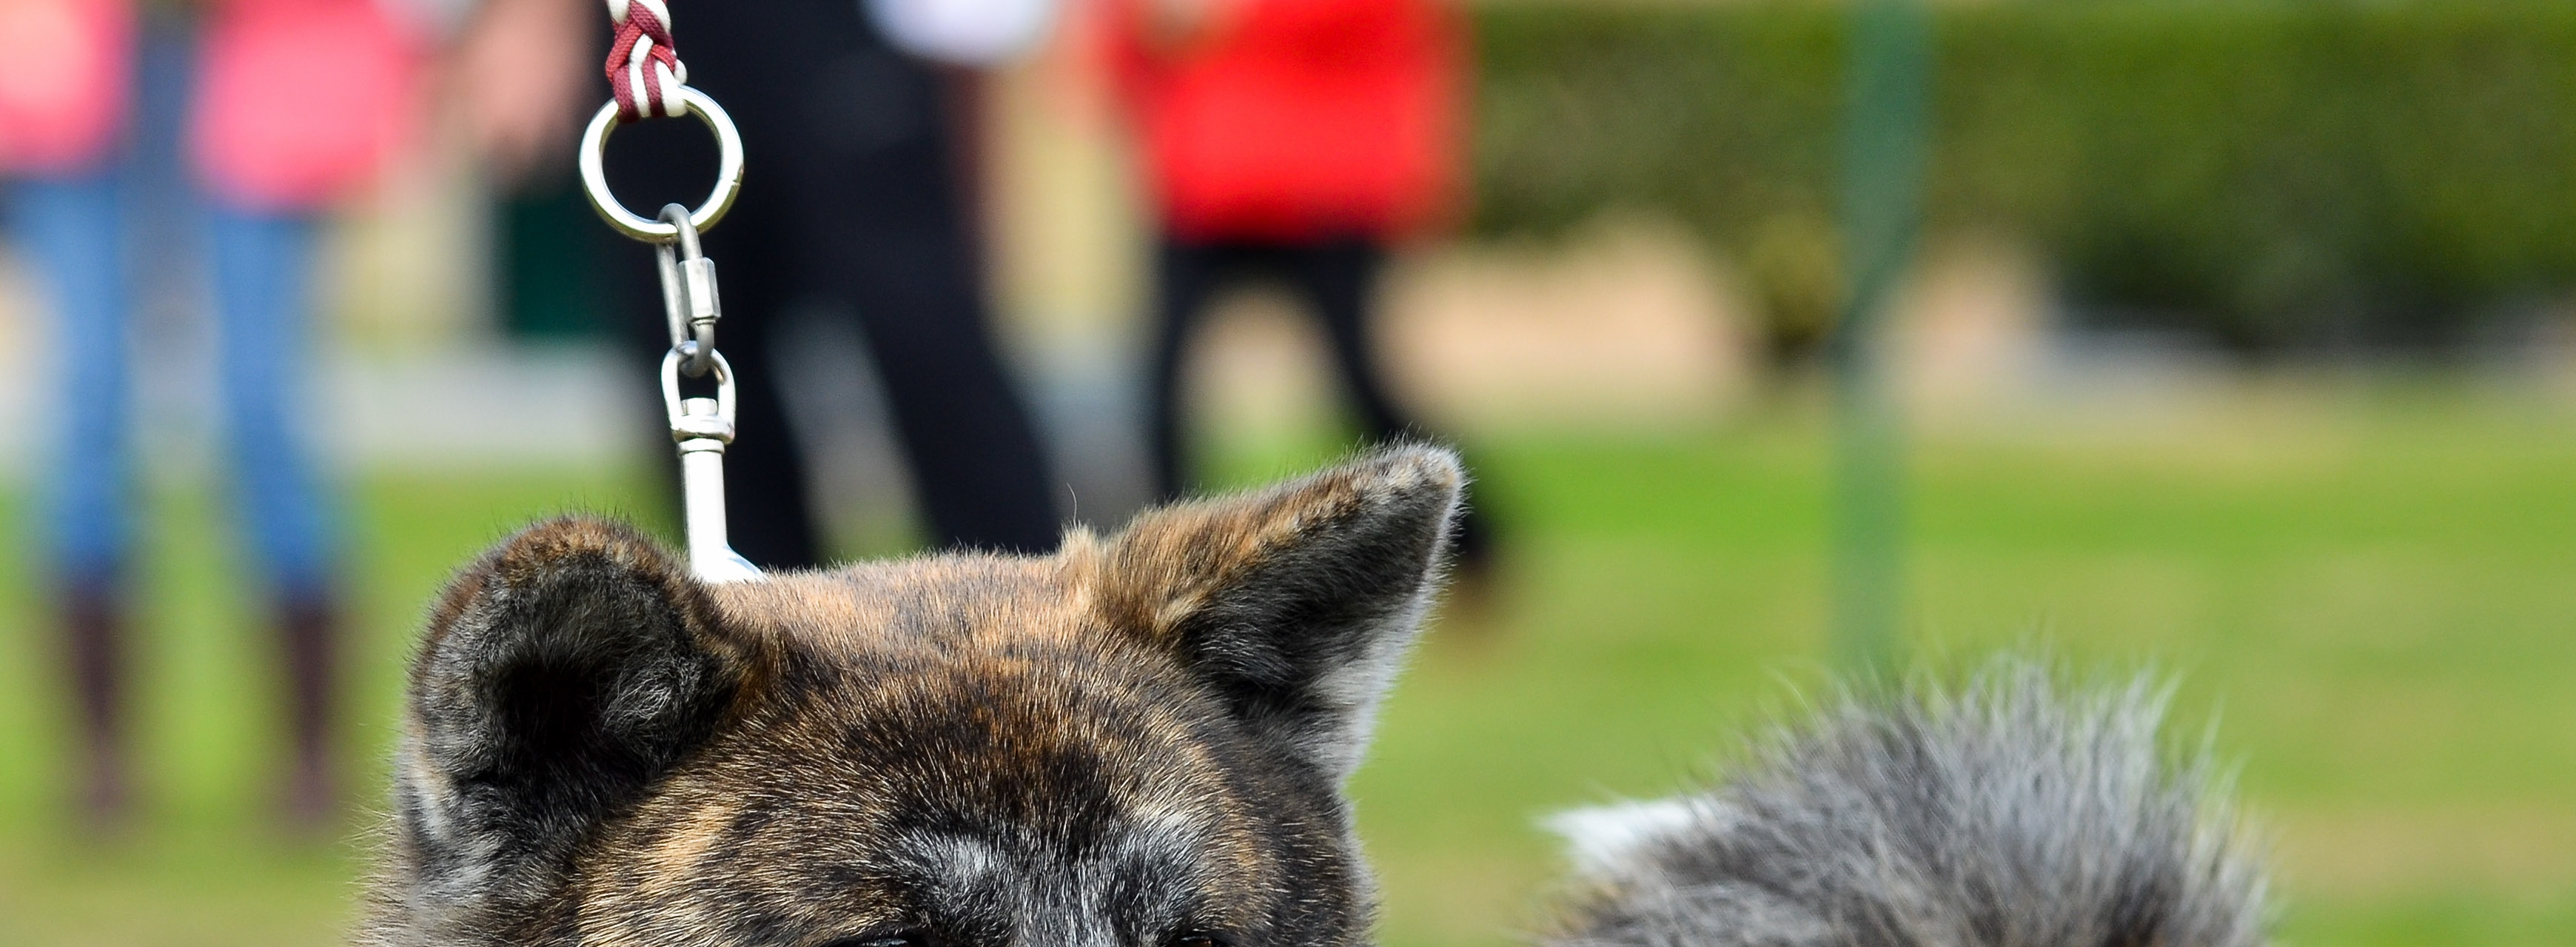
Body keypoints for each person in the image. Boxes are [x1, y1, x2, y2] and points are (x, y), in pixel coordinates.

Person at [0, 0, 424, 831]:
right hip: (67, 64)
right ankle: (100, 759)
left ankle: (310, 755)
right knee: (89, 401)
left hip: (264, 58)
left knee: (263, 407)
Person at [456, 0, 1064, 568]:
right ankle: (766, 634)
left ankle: (1032, 617)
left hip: (839, 29)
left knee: (929, 347)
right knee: (699, 362)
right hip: (660, 32)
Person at [1099, 0, 1494, 572]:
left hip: (1324, 178)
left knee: (1360, 381)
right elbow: (1124, 43)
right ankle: (1170, 566)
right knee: (1161, 382)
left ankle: (1469, 537)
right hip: (1205, 179)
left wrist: (1236, 18)